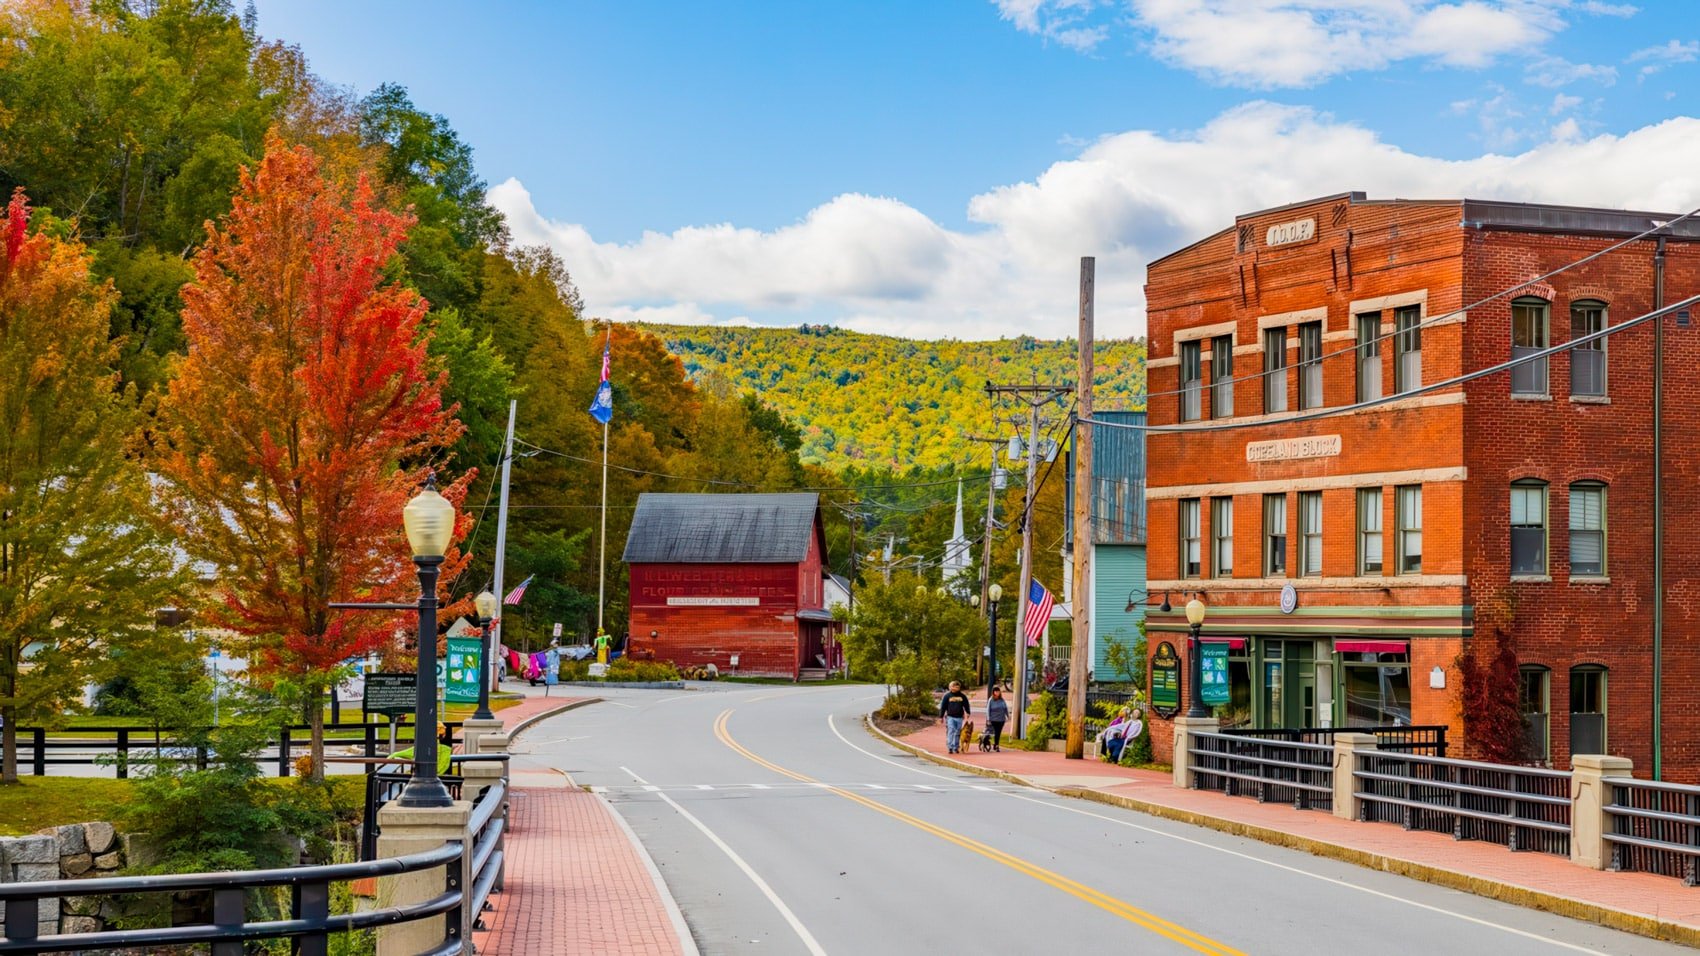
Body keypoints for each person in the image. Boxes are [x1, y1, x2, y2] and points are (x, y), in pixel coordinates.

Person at [939, 681, 971, 755]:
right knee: (951, 731)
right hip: (950, 717)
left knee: (957, 732)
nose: (955, 688)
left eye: (957, 687)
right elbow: (943, 707)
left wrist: (968, 712)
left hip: (959, 717)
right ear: (950, 687)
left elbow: (966, 704)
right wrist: (941, 717)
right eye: (953, 686)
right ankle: (950, 746)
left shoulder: (962, 696)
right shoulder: (947, 696)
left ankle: (956, 747)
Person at [985, 687, 1009, 752]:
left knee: (998, 733)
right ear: (993, 692)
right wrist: (988, 719)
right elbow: (988, 710)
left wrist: (1007, 716)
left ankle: (996, 744)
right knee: (995, 732)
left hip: (1001, 719)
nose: (997, 693)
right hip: (993, 719)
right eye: (995, 691)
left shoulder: (1002, 700)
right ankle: (994, 744)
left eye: (998, 691)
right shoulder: (991, 700)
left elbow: (1005, 708)